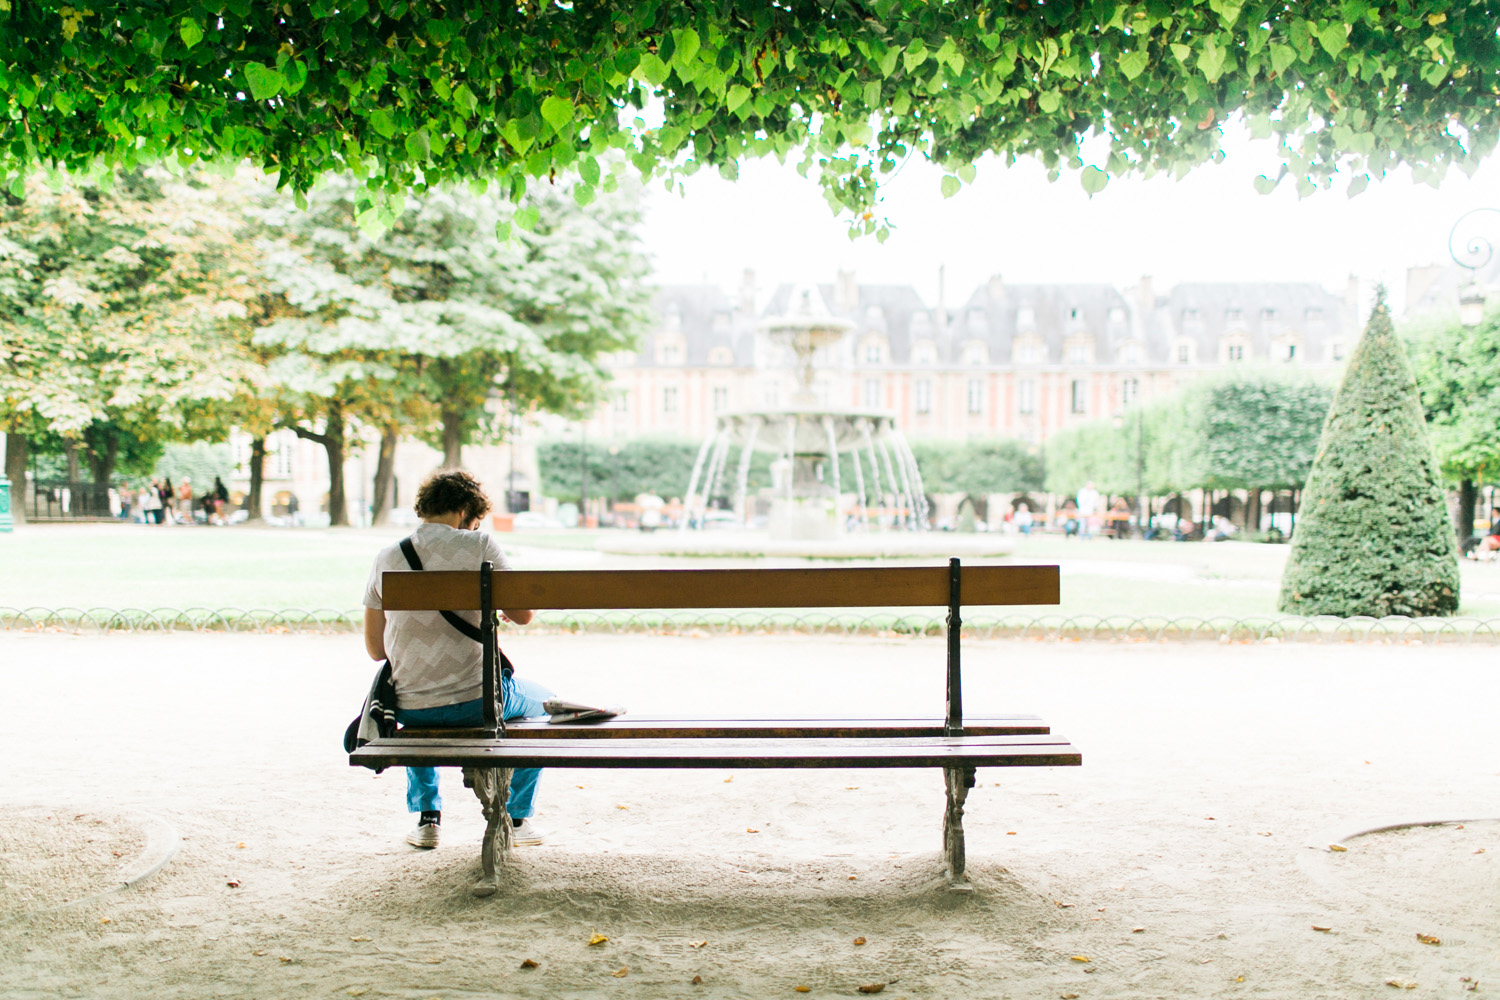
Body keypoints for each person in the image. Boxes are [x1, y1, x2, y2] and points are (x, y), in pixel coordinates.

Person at [362, 469, 552, 850]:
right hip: (477, 703)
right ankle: (515, 818)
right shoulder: (479, 544)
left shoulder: (387, 556)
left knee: (415, 687)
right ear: (465, 511)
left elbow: (376, 649)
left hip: (411, 710)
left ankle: (428, 818)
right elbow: (524, 614)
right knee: (544, 705)